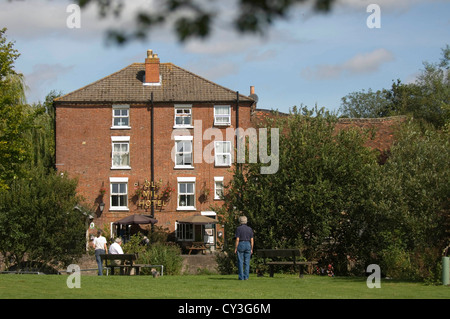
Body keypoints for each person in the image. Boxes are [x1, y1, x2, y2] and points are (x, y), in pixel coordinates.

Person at [234, 215, 254, 280]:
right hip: (248, 244)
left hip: (241, 243)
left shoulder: (238, 229)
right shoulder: (250, 229)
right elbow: (252, 240)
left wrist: (236, 248)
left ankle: (241, 277)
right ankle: (246, 277)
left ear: (240, 221)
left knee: (240, 261)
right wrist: (251, 248)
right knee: (247, 262)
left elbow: (237, 239)